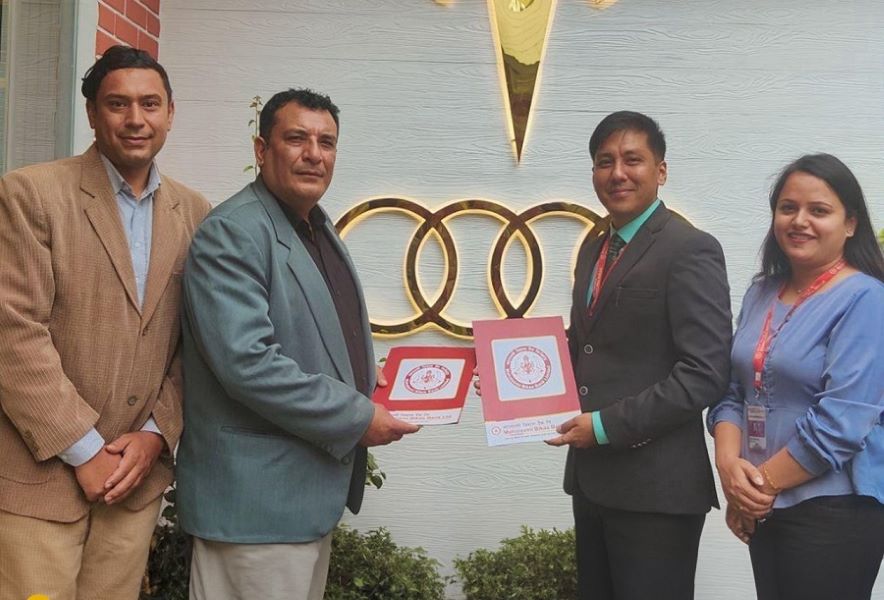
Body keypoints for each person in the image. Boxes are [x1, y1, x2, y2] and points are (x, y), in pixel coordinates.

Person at [177, 87, 420, 600]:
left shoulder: (315, 226)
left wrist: (363, 374)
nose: (314, 154)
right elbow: (248, 363)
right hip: (256, 507)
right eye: (296, 139)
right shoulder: (234, 232)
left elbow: (313, 337)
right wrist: (358, 416)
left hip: (300, 501)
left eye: (326, 142)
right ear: (261, 150)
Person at [0, 45, 210, 599]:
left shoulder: (195, 213)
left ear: (170, 113)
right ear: (92, 113)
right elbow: (13, 332)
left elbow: (198, 342)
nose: (135, 119)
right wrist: (84, 447)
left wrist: (156, 435)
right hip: (40, 479)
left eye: (150, 104)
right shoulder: (31, 194)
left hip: (134, 483)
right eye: (118, 104)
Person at [545, 111, 733, 600]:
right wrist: (515, 375)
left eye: (633, 160)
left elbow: (705, 372)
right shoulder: (594, 247)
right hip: (592, 482)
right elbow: (587, 343)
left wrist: (604, 426)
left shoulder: (690, 248)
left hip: (656, 491)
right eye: (604, 161)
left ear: (661, 170)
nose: (617, 173)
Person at [708, 153, 884, 600]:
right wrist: (731, 471)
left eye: (818, 210)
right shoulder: (761, 292)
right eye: (788, 208)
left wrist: (758, 487)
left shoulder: (867, 299)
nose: (799, 220)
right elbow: (732, 392)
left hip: (834, 510)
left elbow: (842, 423)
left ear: (850, 224)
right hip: (765, 503)